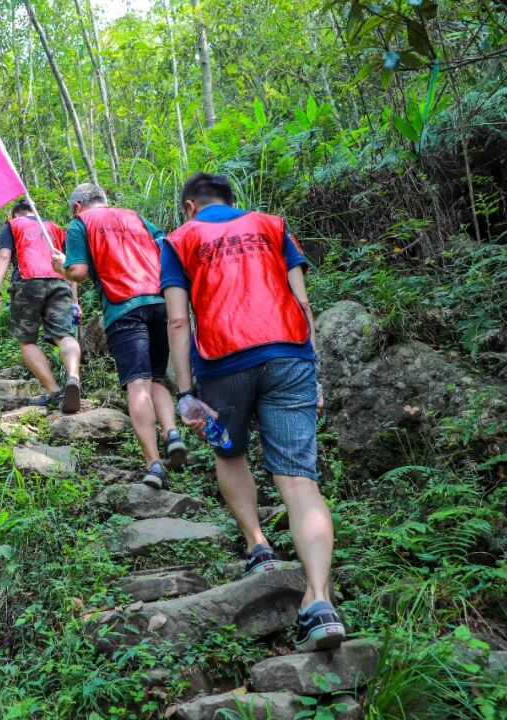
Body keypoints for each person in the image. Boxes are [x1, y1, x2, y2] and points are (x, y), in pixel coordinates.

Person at [162, 172, 344, 653]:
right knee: (300, 481)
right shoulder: (272, 225)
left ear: (189, 206)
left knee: (229, 454)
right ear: (231, 200)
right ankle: (318, 601)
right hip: (290, 355)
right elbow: (302, 300)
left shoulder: (179, 239)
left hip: (223, 364)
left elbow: (178, 319)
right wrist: (313, 368)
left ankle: (258, 547)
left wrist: (185, 392)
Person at [54, 183, 187, 487]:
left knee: (137, 384)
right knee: (157, 378)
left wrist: (60, 266)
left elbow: (78, 272)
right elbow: (165, 244)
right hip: (160, 301)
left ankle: (154, 464)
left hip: (123, 307)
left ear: (77, 206)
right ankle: (172, 434)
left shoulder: (80, 224)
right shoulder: (135, 216)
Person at [0, 199, 83, 413]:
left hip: (27, 283)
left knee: (27, 341)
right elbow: (69, 265)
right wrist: (75, 303)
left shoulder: (13, 225)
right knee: (65, 336)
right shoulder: (55, 228)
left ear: (16, 215)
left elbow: (4, 255)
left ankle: (53, 391)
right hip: (59, 282)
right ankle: (73, 376)